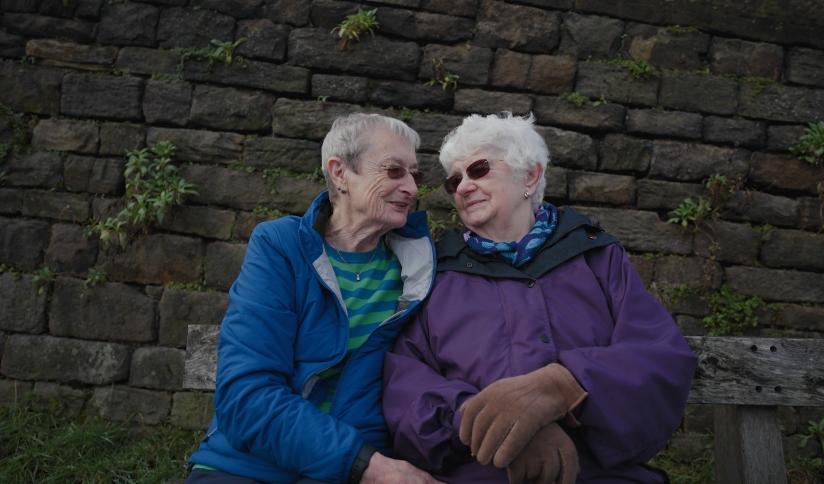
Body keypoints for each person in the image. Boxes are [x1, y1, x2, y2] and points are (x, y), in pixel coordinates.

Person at [382, 113, 698, 483]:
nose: (464, 186)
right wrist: (490, 423)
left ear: (530, 176)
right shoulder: (436, 274)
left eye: (479, 169)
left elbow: (658, 356)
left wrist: (564, 386)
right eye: (455, 180)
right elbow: (405, 383)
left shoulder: (595, 256)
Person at [187, 113, 442, 483]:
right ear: (339, 173)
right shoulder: (281, 247)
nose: (412, 189)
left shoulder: (420, 267)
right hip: (253, 465)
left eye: (415, 175)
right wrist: (368, 466)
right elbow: (245, 397)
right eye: (393, 171)